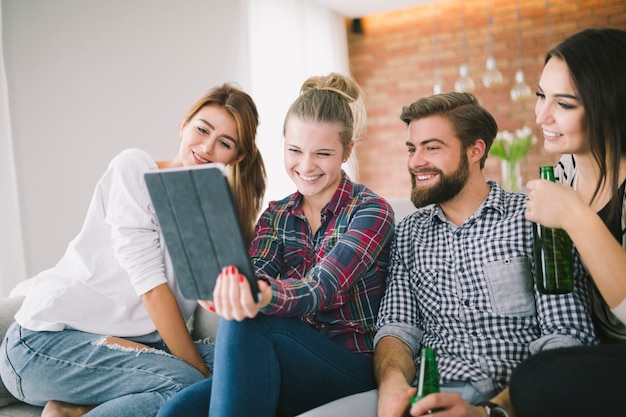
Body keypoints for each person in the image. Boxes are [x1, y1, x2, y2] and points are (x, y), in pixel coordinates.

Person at [298, 91, 599, 417]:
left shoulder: (535, 217)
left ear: (475, 150)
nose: (415, 162)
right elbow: (398, 326)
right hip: (425, 396)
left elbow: (566, 338)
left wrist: (490, 410)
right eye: (412, 149)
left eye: (432, 147)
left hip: (515, 401)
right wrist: (393, 382)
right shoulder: (410, 232)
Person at [0, 83, 266, 417]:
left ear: (237, 157)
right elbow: (152, 290)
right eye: (202, 129)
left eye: (224, 143)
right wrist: (197, 372)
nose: (207, 147)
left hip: (129, 344)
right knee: (187, 382)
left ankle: (76, 407)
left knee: (247, 369)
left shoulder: (207, 211)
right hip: (44, 345)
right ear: (184, 125)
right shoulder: (135, 167)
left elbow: (216, 298)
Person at [408, 28, 626, 417]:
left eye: (565, 104)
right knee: (540, 376)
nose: (541, 115)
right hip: (590, 358)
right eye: (542, 95)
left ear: (610, 105)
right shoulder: (567, 170)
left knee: (535, 379)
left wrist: (576, 216)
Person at [155, 72, 395, 417]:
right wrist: (229, 288)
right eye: (295, 150)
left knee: (251, 318)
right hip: (284, 356)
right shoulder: (277, 215)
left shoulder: (371, 211)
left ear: (347, 151)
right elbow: (257, 273)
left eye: (323, 154)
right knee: (175, 412)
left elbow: (320, 287)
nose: (306, 166)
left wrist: (260, 294)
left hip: (348, 365)